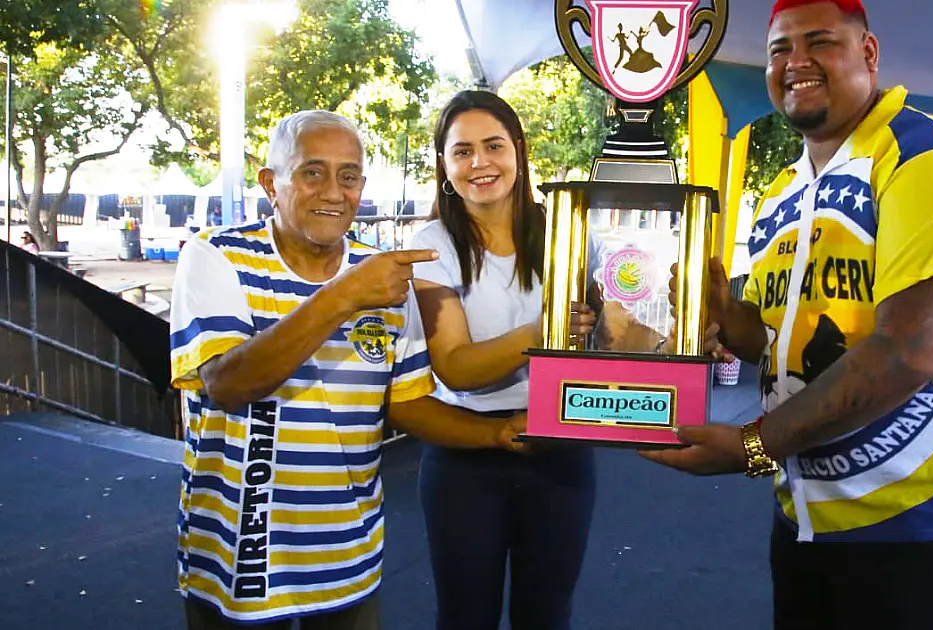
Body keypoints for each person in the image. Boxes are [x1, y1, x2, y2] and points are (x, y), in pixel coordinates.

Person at [642, 1, 933, 629]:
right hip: (809, 506)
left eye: (819, 43)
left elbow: (912, 349)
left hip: (927, 519)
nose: (795, 63)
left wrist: (753, 447)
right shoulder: (782, 189)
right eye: (778, 49)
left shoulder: (926, 155)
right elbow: (770, 340)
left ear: (868, 54)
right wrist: (720, 312)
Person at [169, 109, 527, 630]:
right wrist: (342, 297)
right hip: (238, 559)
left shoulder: (383, 277)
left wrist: (497, 434)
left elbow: (406, 403)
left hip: (346, 559)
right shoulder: (216, 255)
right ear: (271, 183)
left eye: (349, 175)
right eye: (312, 172)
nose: (333, 192)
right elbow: (228, 383)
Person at [409, 90, 713, 630]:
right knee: (464, 617)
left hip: (559, 448)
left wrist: (682, 342)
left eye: (494, 146)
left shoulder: (566, 229)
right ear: (444, 163)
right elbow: (454, 366)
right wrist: (541, 331)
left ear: (519, 151)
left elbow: (616, 333)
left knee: (547, 615)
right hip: (464, 455)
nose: (480, 163)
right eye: (462, 151)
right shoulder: (434, 244)